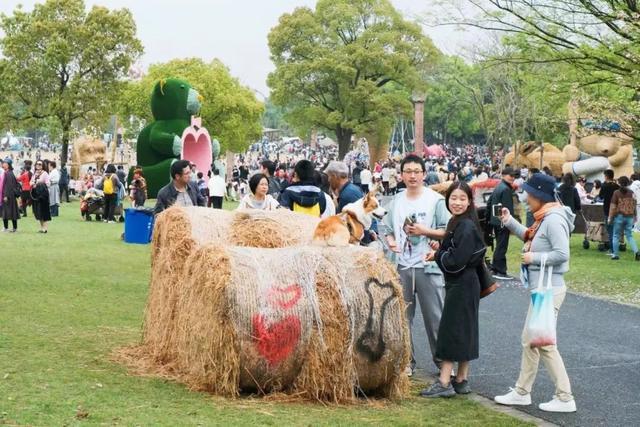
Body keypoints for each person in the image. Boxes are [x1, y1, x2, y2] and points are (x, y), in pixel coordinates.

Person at [494, 173, 577, 413]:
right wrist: (510, 221)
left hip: (549, 288)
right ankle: (522, 392)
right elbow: (531, 237)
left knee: (543, 343)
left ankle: (564, 397)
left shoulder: (552, 219)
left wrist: (534, 258)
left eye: (529, 194)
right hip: (543, 287)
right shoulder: (544, 217)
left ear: (540, 195)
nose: (526, 198)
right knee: (531, 340)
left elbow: (562, 254)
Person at [383, 154, 450, 377]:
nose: (412, 176)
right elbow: (386, 229)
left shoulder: (435, 200)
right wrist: (391, 241)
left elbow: (447, 231)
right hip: (402, 265)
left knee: (435, 317)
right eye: (408, 171)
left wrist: (426, 232)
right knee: (402, 318)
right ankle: (406, 362)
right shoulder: (396, 201)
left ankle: (443, 363)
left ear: (423, 174)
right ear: (401, 175)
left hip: (428, 266)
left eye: (416, 171)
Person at [420, 182, 486, 398]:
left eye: (462, 199)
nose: (457, 203)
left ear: (469, 201)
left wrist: (440, 255)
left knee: (450, 331)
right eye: (453, 198)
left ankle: (444, 381)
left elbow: (456, 261)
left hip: (461, 284)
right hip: (468, 283)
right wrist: (440, 250)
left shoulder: (464, 225)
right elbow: (458, 252)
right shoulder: (461, 222)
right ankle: (461, 379)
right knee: (465, 329)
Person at [487, 167, 517, 279]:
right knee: (502, 246)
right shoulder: (505, 189)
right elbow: (508, 209)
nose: (513, 178)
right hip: (502, 221)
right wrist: (511, 223)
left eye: (514, 176)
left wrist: (491, 219)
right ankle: (500, 270)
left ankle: (496, 269)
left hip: (496, 220)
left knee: (499, 245)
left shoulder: (499, 187)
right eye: (510, 175)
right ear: (503, 175)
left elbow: (490, 203)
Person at [608, 176, 639, 261]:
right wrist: (635, 216)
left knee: (616, 236)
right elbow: (634, 205)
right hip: (629, 217)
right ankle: (636, 252)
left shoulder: (616, 193)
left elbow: (613, 206)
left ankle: (615, 255)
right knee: (629, 236)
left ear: (619, 183)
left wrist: (610, 217)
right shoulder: (632, 193)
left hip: (619, 217)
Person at [599, 169, 620, 254]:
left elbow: (600, 196)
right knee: (615, 231)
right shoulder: (617, 186)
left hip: (607, 210)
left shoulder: (604, 186)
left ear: (606, 176)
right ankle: (615, 248)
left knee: (610, 230)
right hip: (617, 210)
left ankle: (612, 250)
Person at [30, 160, 51, 233]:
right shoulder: (34, 174)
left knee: (43, 211)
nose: (38, 165)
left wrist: (39, 183)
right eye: (37, 164)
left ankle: (45, 228)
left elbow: (48, 184)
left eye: (40, 164)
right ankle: (42, 228)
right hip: (36, 195)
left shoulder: (45, 173)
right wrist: (34, 183)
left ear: (43, 165)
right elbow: (30, 182)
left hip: (43, 195)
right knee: (38, 211)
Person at [2, 158, 21, 232]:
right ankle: (13, 228)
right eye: (3, 163)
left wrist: (5, 195)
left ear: (8, 165)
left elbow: (8, 186)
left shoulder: (8, 173)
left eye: (5, 163)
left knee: (8, 211)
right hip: (10, 195)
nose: (3, 164)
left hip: (8, 195)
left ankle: (7, 228)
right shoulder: (8, 172)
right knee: (12, 211)